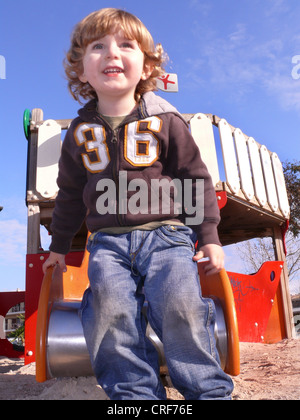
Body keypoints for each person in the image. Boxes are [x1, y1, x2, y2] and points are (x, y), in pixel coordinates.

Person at [43, 8, 234, 400]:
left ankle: (207, 390)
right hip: (107, 242)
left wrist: (209, 236)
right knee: (110, 313)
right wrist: (60, 247)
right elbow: (68, 193)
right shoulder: (80, 133)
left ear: (147, 66)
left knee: (179, 304)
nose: (112, 53)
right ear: (81, 70)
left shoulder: (164, 119)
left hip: (166, 235)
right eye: (98, 46)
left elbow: (194, 178)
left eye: (126, 45)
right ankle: (135, 394)